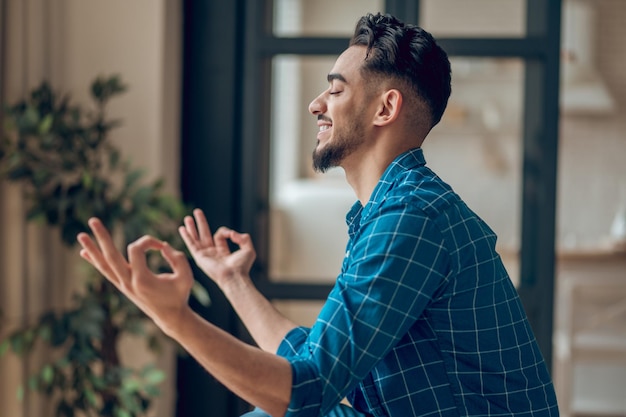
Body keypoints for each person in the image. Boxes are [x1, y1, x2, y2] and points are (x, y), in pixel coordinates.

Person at [77, 12, 560, 417]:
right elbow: (316, 365)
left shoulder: (411, 218)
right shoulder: (392, 210)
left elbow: (306, 391)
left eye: (335, 90)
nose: (316, 105)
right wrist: (233, 281)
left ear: (385, 108)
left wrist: (174, 319)